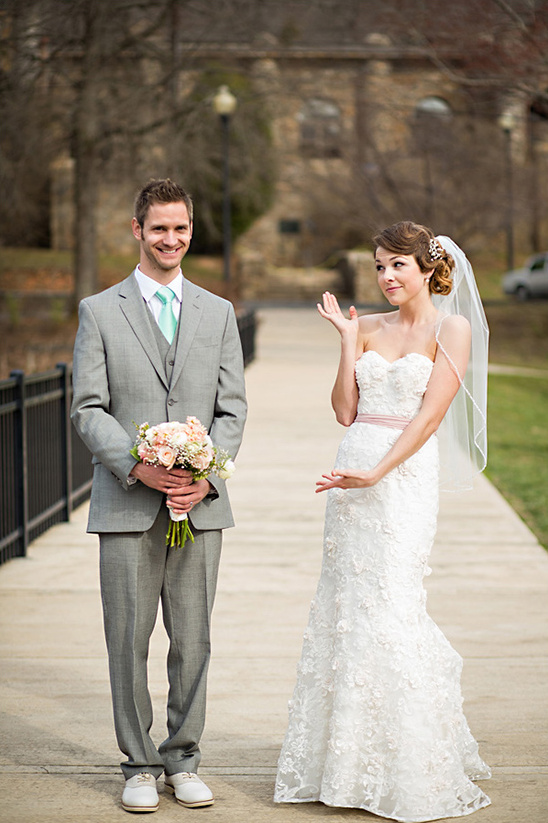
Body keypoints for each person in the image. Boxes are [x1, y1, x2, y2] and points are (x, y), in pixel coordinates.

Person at [274, 221, 491, 822]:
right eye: (378, 266)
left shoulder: (453, 328)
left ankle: (407, 759)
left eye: (397, 265)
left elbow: (428, 419)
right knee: (345, 607)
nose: (386, 277)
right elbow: (345, 411)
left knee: (393, 602)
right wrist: (347, 342)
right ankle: (341, 761)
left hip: (403, 479)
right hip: (349, 475)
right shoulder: (365, 326)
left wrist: (379, 474)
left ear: (428, 269)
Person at [71, 178, 247, 813]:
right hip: (125, 504)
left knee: (193, 638)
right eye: (159, 228)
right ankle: (138, 765)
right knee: (128, 637)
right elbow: (87, 408)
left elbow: (232, 410)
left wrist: (206, 475)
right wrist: (137, 467)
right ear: (137, 231)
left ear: (190, 230)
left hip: (200, 508)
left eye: (181, 228)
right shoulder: (100, 310)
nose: (170, 239)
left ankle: (184, 757)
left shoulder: (218, 312)